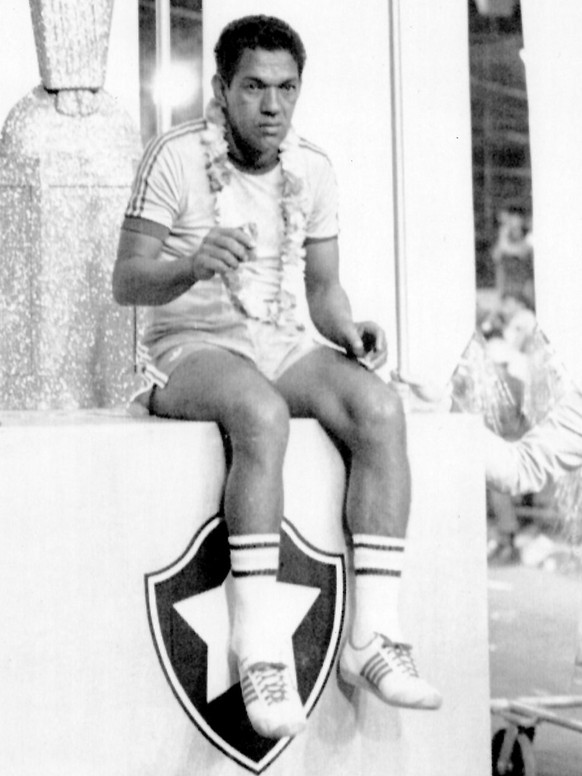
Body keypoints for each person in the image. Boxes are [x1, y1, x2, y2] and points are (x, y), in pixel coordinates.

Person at [112, 15, 441, 739]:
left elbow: (322, 289)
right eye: (254, 87)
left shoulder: (312, 167)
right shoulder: (172, 156)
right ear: (221, 90)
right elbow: (126, 281)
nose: (272, 106)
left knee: (381, 411)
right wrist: (191, 264)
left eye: (287, 88)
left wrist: (349, 329)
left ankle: (372, 640)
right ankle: (259, 646)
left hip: (282, 338)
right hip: (188, 344)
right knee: (261, 414)